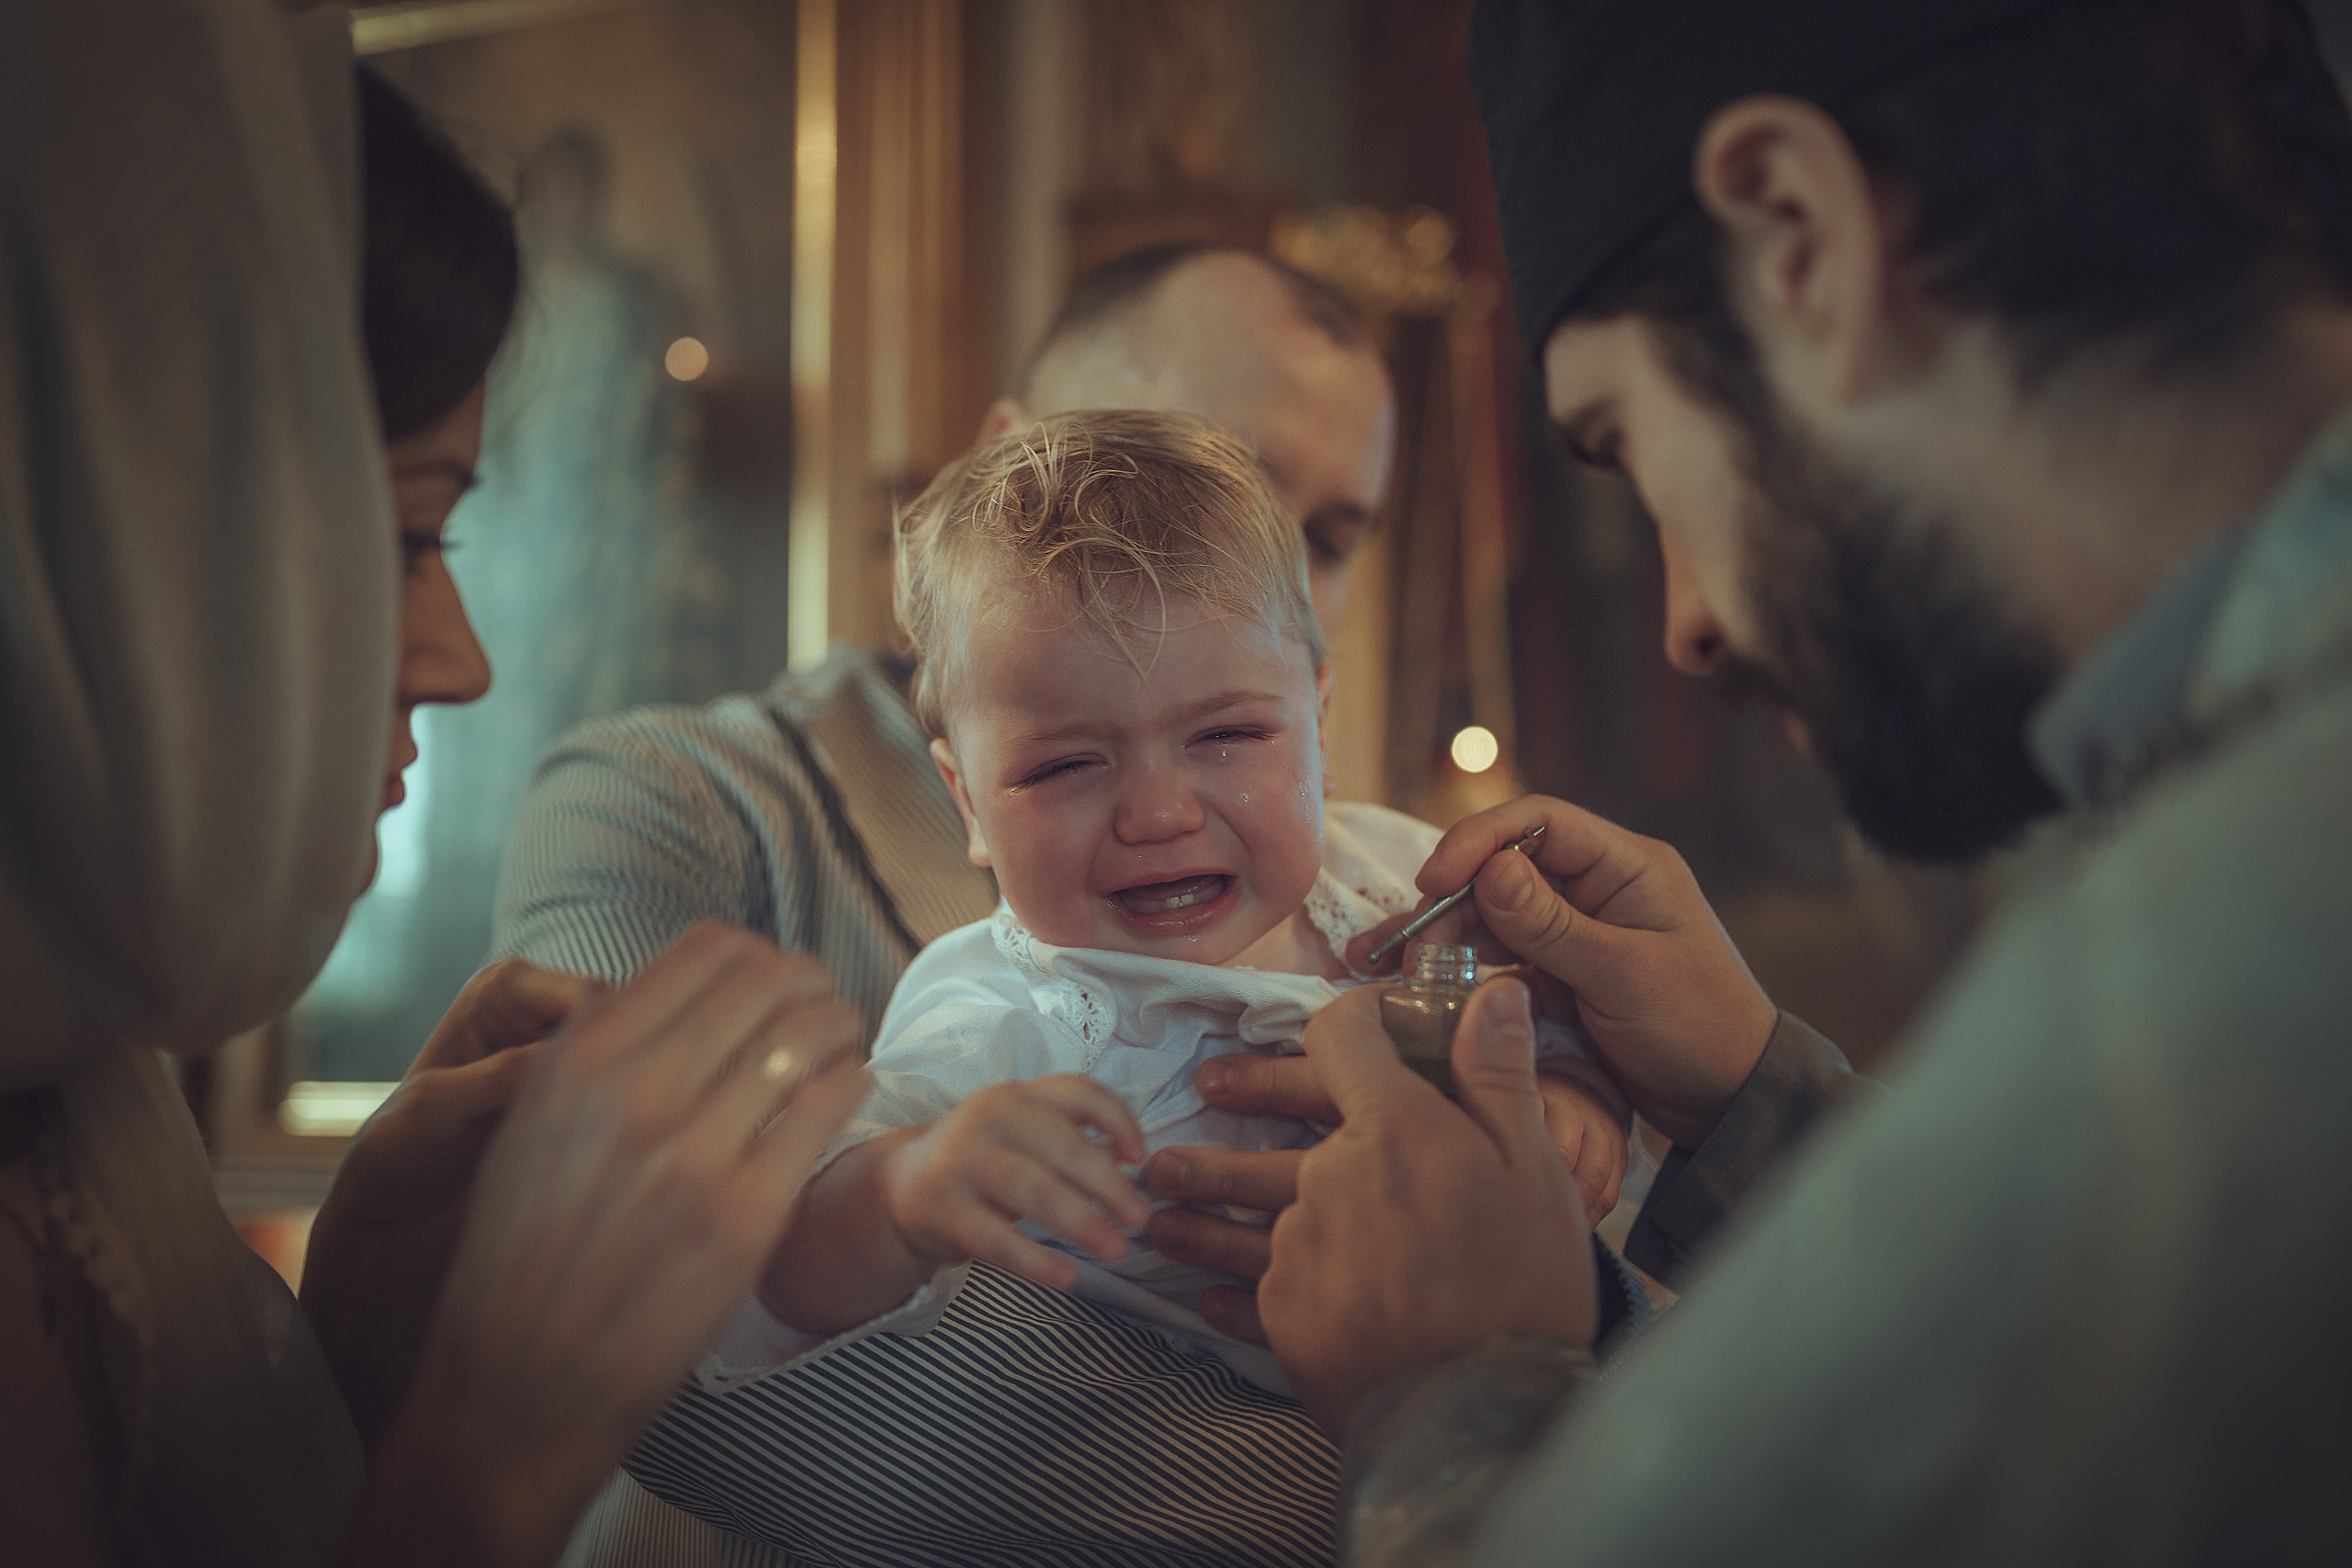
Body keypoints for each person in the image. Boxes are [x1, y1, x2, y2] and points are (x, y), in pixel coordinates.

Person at [1242, 0, 2352, 1562]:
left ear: (1798, 237)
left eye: (1627, 440)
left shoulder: (2229, 943)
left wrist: (1455, 1404)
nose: (1688, 618)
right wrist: (1763, 1101)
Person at [0, 28, 865, 1565]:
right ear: (79, 555)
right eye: (407, 539)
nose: (460, 662)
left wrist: (359, 1353)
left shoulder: (73, 1113)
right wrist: (487, 1456)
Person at [761, 412, 1632, 1394]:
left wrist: (1575, 1108)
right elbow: (784, 1265)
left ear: (1317, 721)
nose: (1158, 814)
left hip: (1514, 1386)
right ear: (967, 801)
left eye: (1225, 737)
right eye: (1066, 765)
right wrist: (901, 1193)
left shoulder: (1407, 884)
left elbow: (1557, 1035)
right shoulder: (993, 1015)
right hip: (1208, 1460)